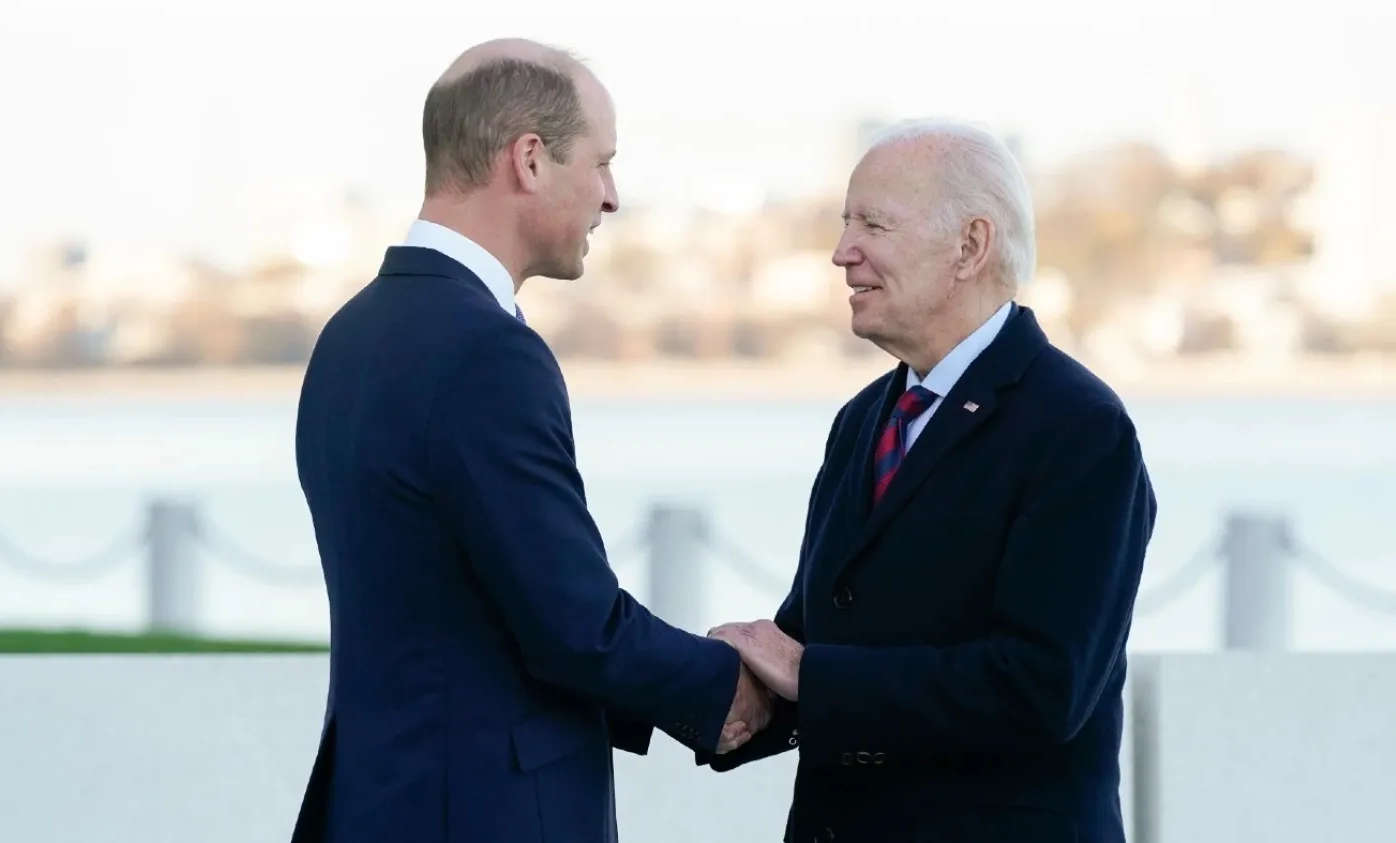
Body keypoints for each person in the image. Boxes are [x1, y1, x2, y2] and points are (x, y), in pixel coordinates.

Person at [289, 39, 770, 843]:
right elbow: (574, 623)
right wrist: (740, 692)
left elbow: (464, 609)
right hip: (482, 812)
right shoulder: (488, 352)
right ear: (531, 159)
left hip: (374, 802)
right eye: (602, 162)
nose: (611, 196)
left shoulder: (351, 334)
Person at [698, 120, 1157, 843]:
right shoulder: (862, 421)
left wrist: (807, 676)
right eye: (846, 223)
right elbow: (811, 639)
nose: (842, 252)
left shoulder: (1078, 428)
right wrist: (698, 688)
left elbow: (1041, 687)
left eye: (873, 224)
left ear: (970, 247)